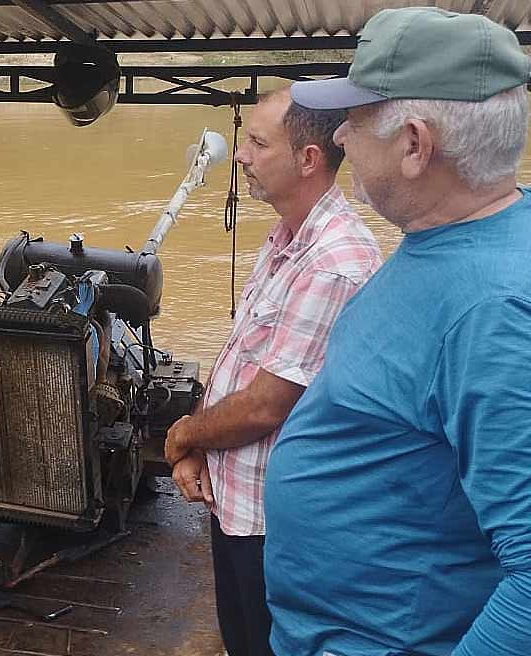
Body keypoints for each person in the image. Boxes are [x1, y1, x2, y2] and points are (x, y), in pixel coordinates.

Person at [264, 7, 531, 656]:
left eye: (352, 124)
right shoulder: (458, 240)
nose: (341, 142)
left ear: (414, 144)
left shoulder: (493, 311)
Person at [163, 87, 381, 656]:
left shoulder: (335, 263)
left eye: (257, 143)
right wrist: (196, 449)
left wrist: (183, 434)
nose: (239, 155)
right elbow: (241, 357)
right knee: (239, 638)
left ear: (309, 159)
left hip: (277, 521)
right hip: (235, 501)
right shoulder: (286, 236)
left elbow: (265, 404)